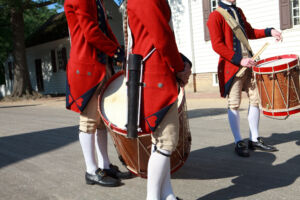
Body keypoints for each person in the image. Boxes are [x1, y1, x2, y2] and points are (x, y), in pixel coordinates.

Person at [121, 0, 191, 199]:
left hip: (156, 75)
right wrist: (179, 68)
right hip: (157, 76)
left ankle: (167, 194)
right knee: (166, 143)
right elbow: (162, 37)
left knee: (160, 143)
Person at [64, 0, 132, 187]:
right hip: (87, 67)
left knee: (101, 120)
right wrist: (116, 52)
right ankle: (91, 170)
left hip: (101, 65)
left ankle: (104, 164)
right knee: (88, 121)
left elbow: (106, 30)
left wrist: (118, 49)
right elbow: (91, 32)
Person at [207, 0, 282, 157]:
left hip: (250, 63)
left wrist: (270, 31)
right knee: (234, 103)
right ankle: (238, 141)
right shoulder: (215, 16)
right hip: (233, 67)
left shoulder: (238, 11)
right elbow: (217, 45)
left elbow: (249, 32)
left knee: (256, 99)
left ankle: (254, 139)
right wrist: (239, 60)